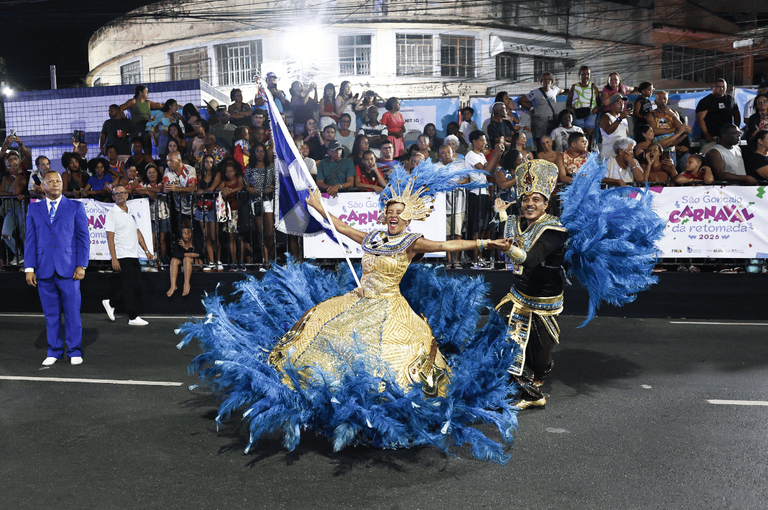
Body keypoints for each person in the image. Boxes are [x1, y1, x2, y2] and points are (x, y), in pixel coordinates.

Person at [492, 159, 568, 410]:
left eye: (536, 199)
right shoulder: (517, 221)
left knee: (539, 353)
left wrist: (509, 249)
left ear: (546, 203)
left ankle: (538, 374)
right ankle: (531, 393)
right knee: (509, 338)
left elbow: (532, 259)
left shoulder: (554, 229)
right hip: (519, 295)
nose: (529, 203)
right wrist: (502, 212)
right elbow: (510, 232)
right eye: (525, 199)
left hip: (544, 300)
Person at [25, 171, 90, 366]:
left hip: (69, 269)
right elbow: (30, 240)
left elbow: (83, 238)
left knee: (72, 313)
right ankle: (53, 350)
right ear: (43, 186)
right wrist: (29, 268)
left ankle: (74, 350)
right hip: (44, 270)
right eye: (51, 181)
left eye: (58, 181)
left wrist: (82, 265)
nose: (55, 184)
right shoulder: (34, 210)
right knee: (51, 314)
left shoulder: (75, 207)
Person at [102, 185, 154, 326]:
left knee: (135, 284)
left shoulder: (130, 212)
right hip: (122, 255)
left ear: (127, 195)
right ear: (113, 197)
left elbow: (137, 233)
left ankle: (111, 302)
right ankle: (132, 317)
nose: (120, 195)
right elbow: (110, 238)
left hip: (133, 254)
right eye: (116, 193)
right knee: (128, 286)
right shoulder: (112, 214)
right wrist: (114, 258)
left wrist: (146, 250)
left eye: (122, 192)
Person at [465, 130, 506, 266]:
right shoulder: (471, 155)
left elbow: (491, 170)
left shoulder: (481, 155)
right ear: (474, 142)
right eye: (482, 140)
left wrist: (498, 154)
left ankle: (481, 257)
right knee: (476, 227)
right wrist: (495, 153)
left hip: (484, 193)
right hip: (475, 194)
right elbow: (485, 170)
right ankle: (474, 258)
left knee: (483, 227)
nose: (485, 143)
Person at [244, 143, 275, 268]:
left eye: (262, 151)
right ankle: (265, 261)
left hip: (267, 200)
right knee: (260, 232)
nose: (260, 153)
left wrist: (271, 188)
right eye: (257, 151)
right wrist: (249, 188)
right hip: (255, 200)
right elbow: (245, 182)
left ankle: (272, 259)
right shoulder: (249, 167)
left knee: (269, 233)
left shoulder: (270, 166)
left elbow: (276, 183)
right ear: (254, 153)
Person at [695, 78, 740, 155]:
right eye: (719, 87)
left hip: (728, 137)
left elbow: (737, 115)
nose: (722, 89)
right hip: (711, 138)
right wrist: (707, 135)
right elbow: (700, 119)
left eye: (724, 87)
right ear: (712, 87)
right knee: (709, 159)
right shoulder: (705, 101)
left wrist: (735, 130)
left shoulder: (730, 99)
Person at [519, 72, 562, 142]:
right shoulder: (535, 92)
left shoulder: (554, 90)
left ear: (552, 81)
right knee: (539, 141)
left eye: (549, 79)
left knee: (551, 141)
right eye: (544, 79)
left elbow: (561, 90)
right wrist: (530, 107)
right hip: (539, 121)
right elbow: (521, 100)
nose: (546, 81)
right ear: (541, 81)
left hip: (551, 121)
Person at [566, 66, 600, 143]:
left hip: (590, 114)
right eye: (583, 74)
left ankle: (587, 152)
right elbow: (568, 102)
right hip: (578, 114)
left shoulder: (593, 87)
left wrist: (596, 109)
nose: (586, 76)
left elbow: (599, 102)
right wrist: (571, 109)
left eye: (588, 74)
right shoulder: (574, 87)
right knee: (579, 136)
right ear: (580, 75)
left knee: (589, 136)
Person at [167, 226, 200, 297]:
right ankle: (173, 285)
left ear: (192, 233)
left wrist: (186, 247)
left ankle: (187, 284)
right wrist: (189, 254)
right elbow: (175, 254)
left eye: (188, 233)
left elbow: (198, 254)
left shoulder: (195, 240)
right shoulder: (179, 241)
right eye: (184, 233)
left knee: (187, 259)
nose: (187, 235)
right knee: (174, 260)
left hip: (196, 263)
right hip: (184, 263)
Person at [599, 94, 630, 158]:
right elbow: (608, 131)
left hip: (621, 156)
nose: (622, 105)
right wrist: (620, 119)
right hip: (609, 156)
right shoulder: (606, 117)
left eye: (623, 103)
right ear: (612, 105)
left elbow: (627, 136)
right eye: (619, 103)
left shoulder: (624, 119)